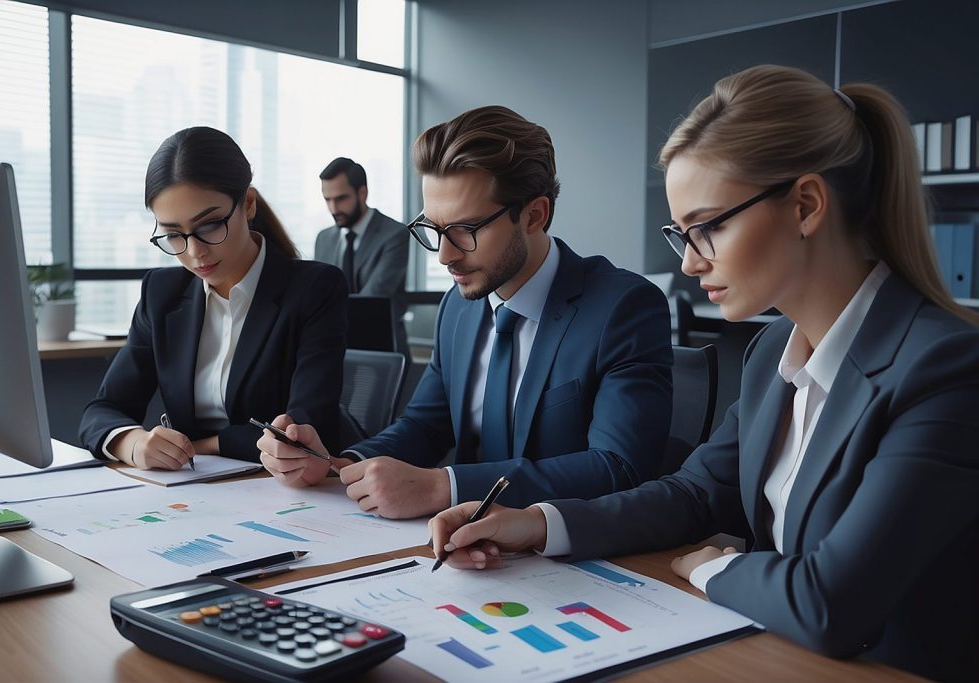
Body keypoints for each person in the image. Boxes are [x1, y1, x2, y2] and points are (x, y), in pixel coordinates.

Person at [426, 66, 979, 682]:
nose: (689, 263)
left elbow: (832, 603)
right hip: (774, 655)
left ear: (805, 205)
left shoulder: (945, 369)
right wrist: (534, 525)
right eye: (682, 233)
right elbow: (693, 494)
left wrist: (714, 567)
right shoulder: (772, 351)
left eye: (709, 227)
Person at [259, 105, 673, 519]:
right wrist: (340, 464)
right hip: (459, 544)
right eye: (434, 229)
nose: (444, 255)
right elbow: (424, 427)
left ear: (534, 215)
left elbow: (618, 467)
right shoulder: (457, 307)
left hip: (564, 547)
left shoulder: (622, 308)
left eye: (465, 230)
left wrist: (445, 487)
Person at [80, 126, 347, 469]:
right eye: (173, 234)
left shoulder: (314, 288)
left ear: (248, 204)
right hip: (191, 488)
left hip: (279, 486)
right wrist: (134, 444)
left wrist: (199, 447)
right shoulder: (161, 293)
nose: (195, 252)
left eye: (209, 226)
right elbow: (101, 411)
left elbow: (304, 430)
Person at [315, 157, 409, 354]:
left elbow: (371, 300)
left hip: (382, 349)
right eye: (327, 199)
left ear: (362, 193)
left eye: (341, 198)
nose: (333, 208)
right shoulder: (324, 239)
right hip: (333, 349)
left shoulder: (394, 234)